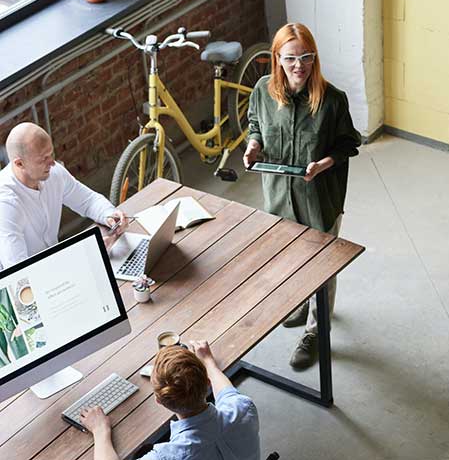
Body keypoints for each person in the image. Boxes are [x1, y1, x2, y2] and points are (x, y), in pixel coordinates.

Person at [243, 23, 361, 369]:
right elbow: (255, 125)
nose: (299, 66)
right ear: (276, 59)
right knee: (290, 258)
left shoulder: (332, 100)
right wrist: (253, 146)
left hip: (318, 198)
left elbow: (348, 143)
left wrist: (323, 164)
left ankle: (315, 329)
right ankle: (297, 303)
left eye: (306, 58)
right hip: (279, 196)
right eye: (291, 58)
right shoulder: (263, 91)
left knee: (321, 266)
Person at [81, 341, 260, 460]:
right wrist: (208, 362)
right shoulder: (243, 408)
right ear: (207, 384)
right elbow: (227, 393)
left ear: (159, 401)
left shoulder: (170, 456)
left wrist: (100, 430)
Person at [0, 122, 129, 270]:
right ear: (19, 164)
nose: (52, 162)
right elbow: (19, 271)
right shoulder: (5, 204)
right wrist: (84, 255)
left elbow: (88, 201)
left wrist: (110, 215)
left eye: (51, 154)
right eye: (43, 159)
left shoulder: (52, 173)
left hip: (56, 264)